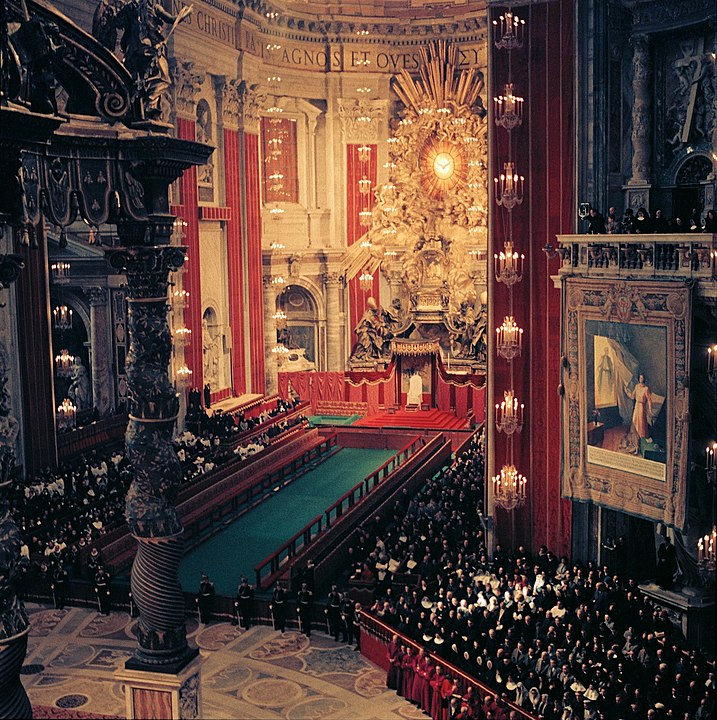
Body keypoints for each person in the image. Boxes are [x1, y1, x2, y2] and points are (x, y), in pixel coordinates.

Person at [625, 373, 654, 440]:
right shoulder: (637, 386)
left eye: (642, 378)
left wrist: (650, 410)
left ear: (644, 379)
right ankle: (635, 437)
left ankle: (641, 437)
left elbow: (649, 400)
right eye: (640, 378)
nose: (641, 379)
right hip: (637, 406)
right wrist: (627, 392)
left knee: (641, 422)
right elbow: (632, 396)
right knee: (635, 420)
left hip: (642, 406)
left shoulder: (646, 389)